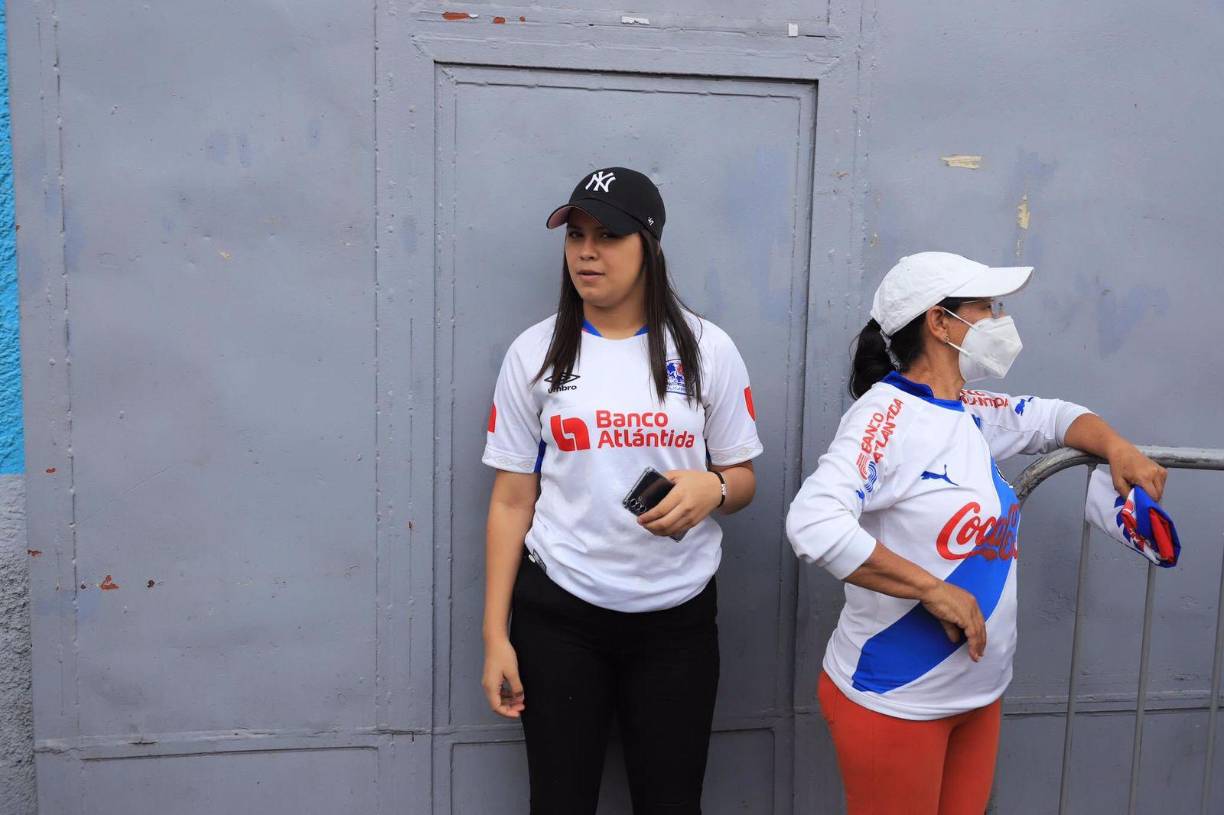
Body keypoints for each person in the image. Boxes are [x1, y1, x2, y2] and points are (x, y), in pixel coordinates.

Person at [786, 251, 1167, 815]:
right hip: (898, 700)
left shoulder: (967, 407)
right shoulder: (884, 417)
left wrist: (1116, 446)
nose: (999, 320)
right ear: (940, 323)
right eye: (987, 307)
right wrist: (933, 589)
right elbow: (812, 522)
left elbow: (1054, 417)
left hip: (978, 696)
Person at [480, 167, 763, 814]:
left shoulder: (706, 349)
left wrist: (712, 488)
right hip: (560, 620)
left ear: (649, 246)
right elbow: (510, 500)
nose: (586, 250)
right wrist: (496, 635)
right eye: (576, 234)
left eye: (609, 235)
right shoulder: (535, 354)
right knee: (559, 801)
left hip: (677, 624)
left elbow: (745, 479)